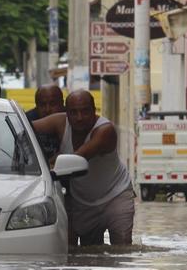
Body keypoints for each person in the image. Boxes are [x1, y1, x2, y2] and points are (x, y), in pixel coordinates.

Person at [32, 90, 135, 247]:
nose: (79, 117)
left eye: (85, 111)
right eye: (73, 112)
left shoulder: (105, 131)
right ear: (66, 113)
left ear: (94, 110)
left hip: (116, 195)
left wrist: (46, 166)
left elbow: (76, 159)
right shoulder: (59, 122)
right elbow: (25, 128)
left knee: (122, 249)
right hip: (83, 202)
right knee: (89, 253)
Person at [24, 85, 64, 160]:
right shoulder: (26, 121)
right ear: (36, 106)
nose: (47, 109)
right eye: (42, 105)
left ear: (62, 104)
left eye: (53, 104)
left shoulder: (72, 119)